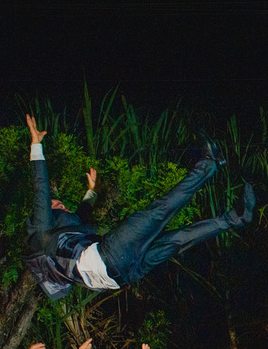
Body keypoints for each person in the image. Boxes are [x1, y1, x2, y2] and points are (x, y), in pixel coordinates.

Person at [21, 114, 254, 301]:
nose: (61, 205)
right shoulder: (40, 233)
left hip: (123, 275)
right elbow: (41, 192)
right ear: (46, 215)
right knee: (159, 211)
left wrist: (91, 192)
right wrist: (36, 146)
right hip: (109, 256)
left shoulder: (57, 245)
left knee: (178, 240)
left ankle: (235, 218)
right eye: (57, 205)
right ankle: (209, 164)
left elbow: (79, 219)